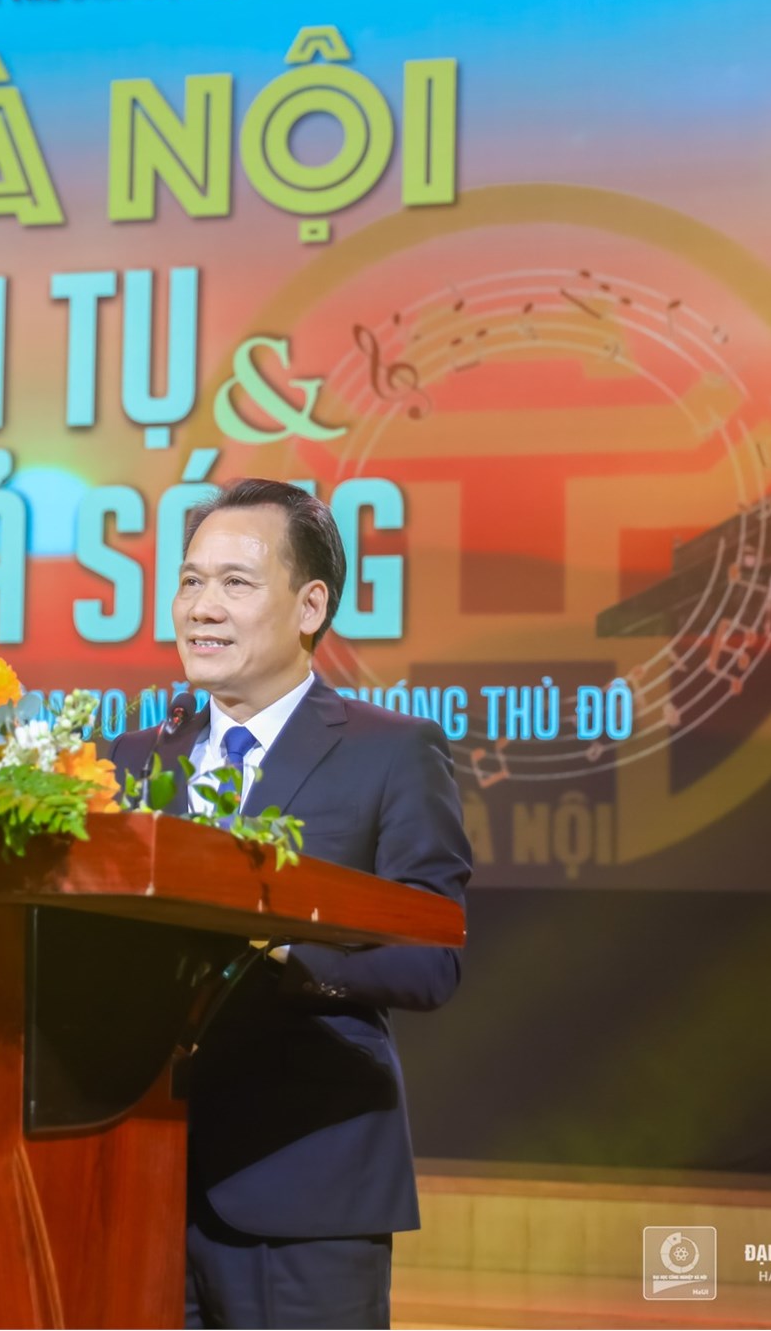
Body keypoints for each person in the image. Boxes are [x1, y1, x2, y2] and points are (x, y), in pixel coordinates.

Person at [103, 478, 472, 1330]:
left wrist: (284, 958)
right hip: (133, 1175)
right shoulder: (126, 755)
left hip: (305, 1181)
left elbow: (434, 954)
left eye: (235, 583)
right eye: (191, 581)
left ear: (311, 605)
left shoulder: (390, 753)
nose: (202, 607)